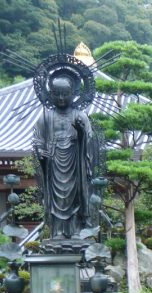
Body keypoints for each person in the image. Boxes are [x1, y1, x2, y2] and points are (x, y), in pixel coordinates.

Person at [33, 75, 98, 239]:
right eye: (56, 94)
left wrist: (82, 133)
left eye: (65, 94)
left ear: (74, 93)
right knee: (56, 198)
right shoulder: (45, 117)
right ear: (50, 94)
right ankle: (58, 232)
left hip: (75, 161)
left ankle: (75, 231)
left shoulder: (80, 116)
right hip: (54, 162)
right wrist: (41, 152)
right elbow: (38, 140)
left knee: (75, 196)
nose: (61, 98)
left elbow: (90, 140)